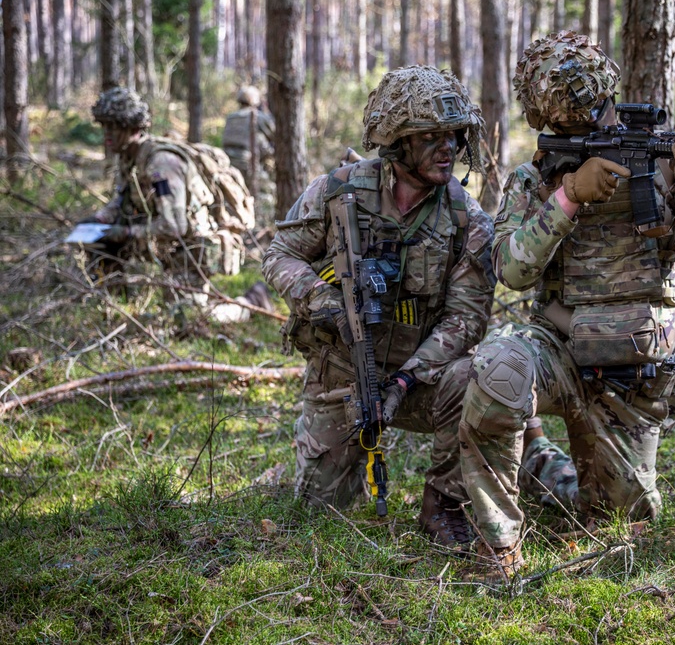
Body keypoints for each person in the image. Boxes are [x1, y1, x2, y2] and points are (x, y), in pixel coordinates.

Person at [459, 31, 675, 578]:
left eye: (599, 113)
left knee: (618, 519)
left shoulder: (665, 161)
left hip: (632, 374)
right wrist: (568, 197)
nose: (596, 129)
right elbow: (510, 270)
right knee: (497, 373)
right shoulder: (535, 178)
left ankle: (538, 459)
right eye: (570, 130)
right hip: (556, 353)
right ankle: (499, 547)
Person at [262, 66, 496, 548]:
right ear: (398, 142)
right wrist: (322, 299)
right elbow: (279, 255)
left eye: (453, 136)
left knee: (480, 378)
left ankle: (443, 504)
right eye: (430, 137)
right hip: (341, 376)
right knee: (319, 513)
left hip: (420, 381)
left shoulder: (465, 217)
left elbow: (467, 319)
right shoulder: (339, 191)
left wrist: (406, 380)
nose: (448, 148)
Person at [85, 86, 269, 322]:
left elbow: (175, 226)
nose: (107, 134)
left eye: (114, 127)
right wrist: (99, 220)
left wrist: (125, 232)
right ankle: (116, 305)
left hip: (191, 249)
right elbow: (121, 199)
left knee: (188, 319)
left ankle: (251, 303)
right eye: (104, 126)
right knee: (99, 241)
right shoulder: (128, 157)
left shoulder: (161, 165)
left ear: (133, 127)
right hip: (162, 243)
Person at [222, 85, 276, 228]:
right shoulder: (259, 117)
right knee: (266, 193)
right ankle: (260, 224)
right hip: (249, 164)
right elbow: (274, 134)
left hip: (229, 164)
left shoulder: (231, 117)